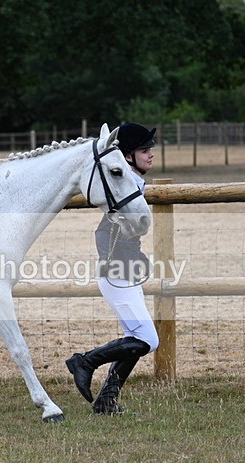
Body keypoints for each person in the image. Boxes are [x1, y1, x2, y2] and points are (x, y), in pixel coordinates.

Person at [66, 122, 160, 415]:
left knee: (135, 338)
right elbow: (104, 232)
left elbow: (124, 231)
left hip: (125, 272)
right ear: (128, 156)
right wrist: (114, 261)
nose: (151, 155)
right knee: (148, 339)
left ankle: (108, 398)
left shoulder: (133, 182)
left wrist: (135, 255)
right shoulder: (123, 182)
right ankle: (85, 361)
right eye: (145, 150)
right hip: (117, 274)